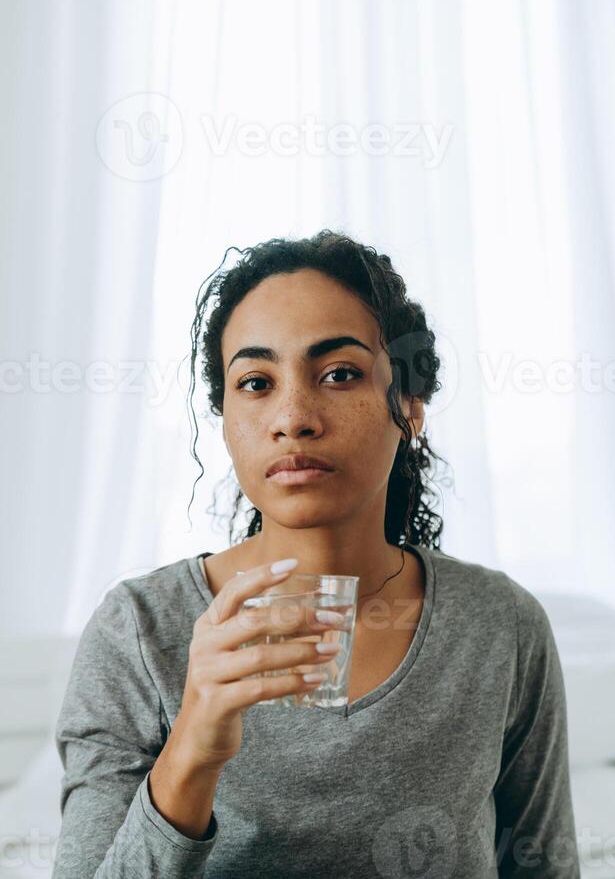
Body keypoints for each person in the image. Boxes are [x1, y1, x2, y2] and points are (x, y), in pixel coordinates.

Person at [52, 230, 581, 877]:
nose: (293, 416)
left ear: (410, 407)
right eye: (255, 383)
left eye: (339, 374)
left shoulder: (500, 622)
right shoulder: (139, 630)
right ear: (224, 418)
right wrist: (193, 745)